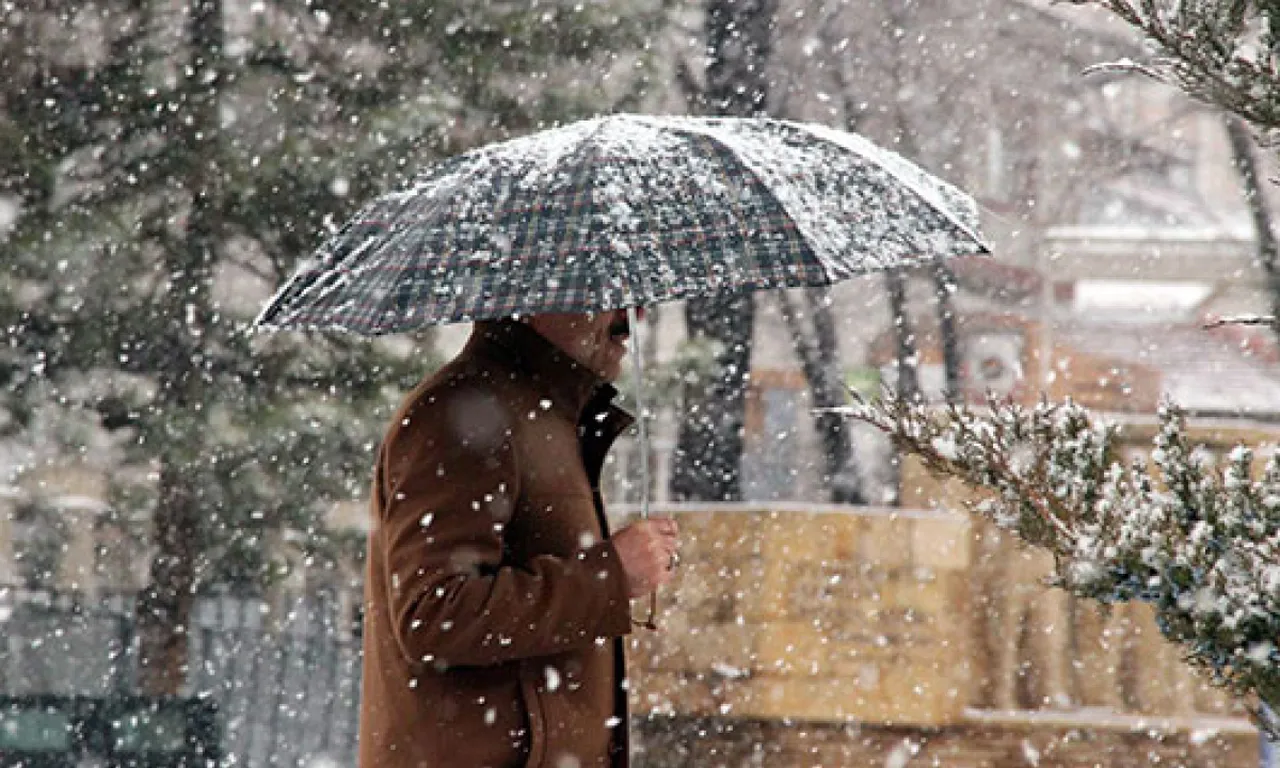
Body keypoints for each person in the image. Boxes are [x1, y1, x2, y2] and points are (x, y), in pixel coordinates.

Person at [358, 308, 681, 768]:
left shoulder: (539, 413)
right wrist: (609, 575)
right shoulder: (463, 413)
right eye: (604, 296)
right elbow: (433, 614)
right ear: (535, 303)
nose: (632, 317)